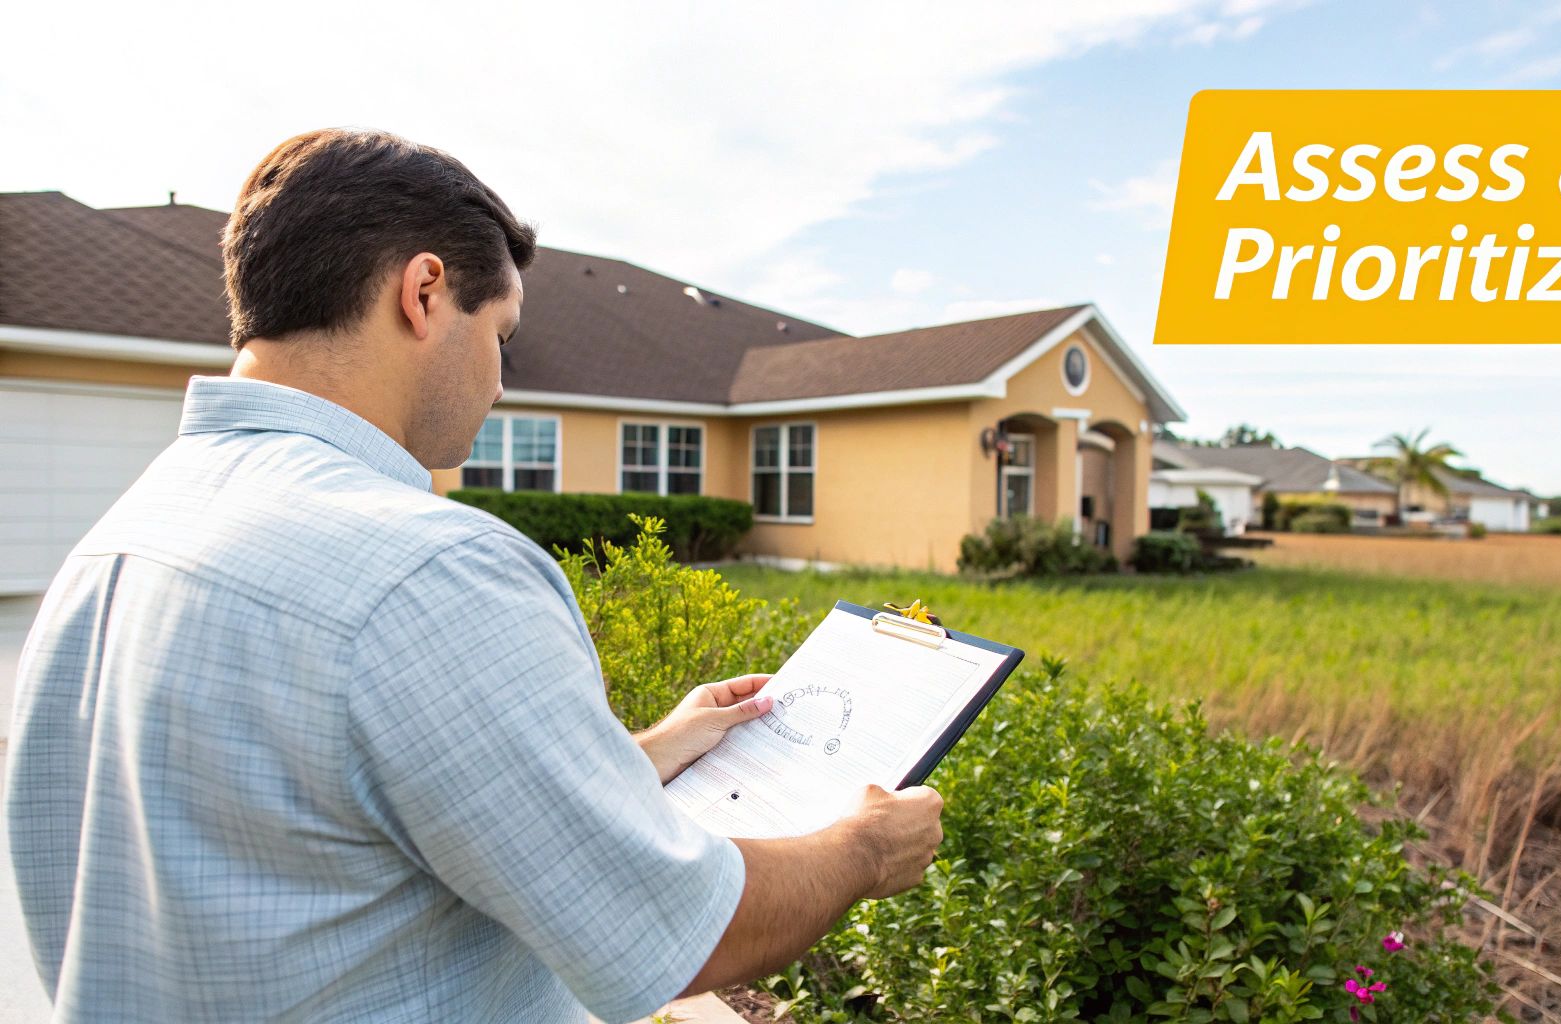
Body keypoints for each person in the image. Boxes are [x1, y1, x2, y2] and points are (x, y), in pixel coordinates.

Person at [4, 128, 943, 1023]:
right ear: (423, 292)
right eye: (501, 333)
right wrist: (864, 849)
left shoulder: (115, 547)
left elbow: (313, 808)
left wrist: (650, 749)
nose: (501, 382)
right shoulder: (432, 571)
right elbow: (668, 932)